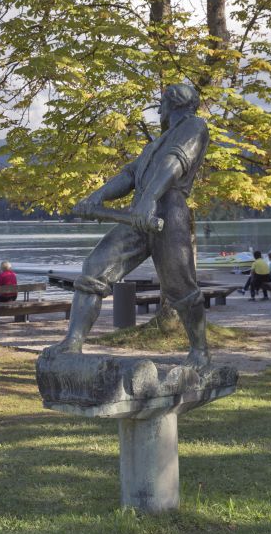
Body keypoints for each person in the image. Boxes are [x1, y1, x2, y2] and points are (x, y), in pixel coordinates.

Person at [44, 83, 211, 368]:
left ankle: (200, 351)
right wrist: (98, 195)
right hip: (138, 214)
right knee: (95, 267)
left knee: (180, 286)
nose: (158, 109)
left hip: (168, 211)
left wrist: (149, 199)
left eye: (161, 103)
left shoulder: (194, 126)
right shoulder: (155, 144)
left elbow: (176, 162)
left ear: (173, 103)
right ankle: (72, 343)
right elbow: (130, 174)